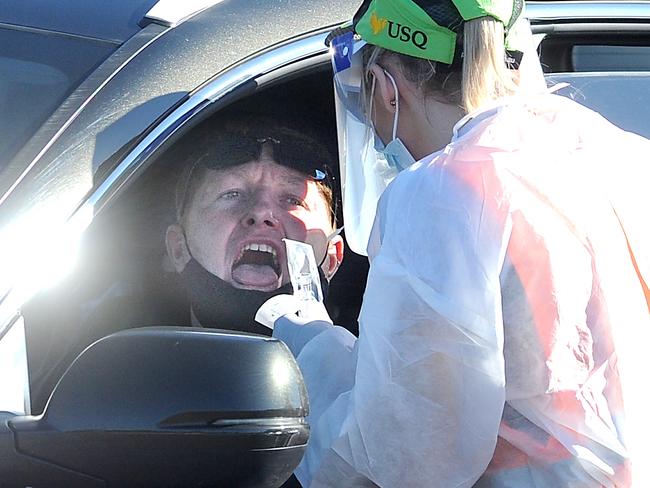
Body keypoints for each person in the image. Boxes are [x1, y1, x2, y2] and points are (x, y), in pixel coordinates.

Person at [257, 0, 650, 486]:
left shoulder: (444, 192)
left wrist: (311, 345)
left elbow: (405, 453)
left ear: (385, 88)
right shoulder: (619, 155)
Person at [165, 115, 344, 335]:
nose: (261, 212)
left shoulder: (379, 368)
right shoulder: (122, 367)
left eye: (293, 200)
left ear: (332, 259)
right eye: (232, 194)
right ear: (178, 248)